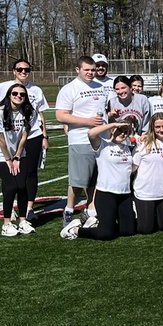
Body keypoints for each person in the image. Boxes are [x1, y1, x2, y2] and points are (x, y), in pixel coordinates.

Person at [0, 58, 48, 220]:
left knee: (30, 173)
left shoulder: (36, 90)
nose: (23, 72)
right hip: (12, 137)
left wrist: (44, 136)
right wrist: (0, 112)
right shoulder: (3, 87)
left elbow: (41, 114)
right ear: (14, 71)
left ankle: (28, 209)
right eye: (20, 69)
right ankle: (11, 208)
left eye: (27, 70)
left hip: (33, 134)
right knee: (11, 177)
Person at [59, 120, 136, 240]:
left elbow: (135, 166)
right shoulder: (103, 145)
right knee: (106, 234)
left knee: (128, 231)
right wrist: (114, 124)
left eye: (125, 132)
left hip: (124, 195)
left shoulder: (129, 148)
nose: (122, 134)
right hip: (106, 194)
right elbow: (91, 133)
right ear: (112, 130)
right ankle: (74, 229)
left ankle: (96, 223)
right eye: (120, 130)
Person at [55, 56, 108, 227]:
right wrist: (88, 122)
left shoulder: (101, 87)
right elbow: (60, 115)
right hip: (80, 138)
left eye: (92, 70)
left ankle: (91, 210)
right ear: (78, 70)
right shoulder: (69, 89)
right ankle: (69, 210)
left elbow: (104, 111)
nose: (90, 73)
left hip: (101, 139)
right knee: (78, 181)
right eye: (87, 70)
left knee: (96, 178)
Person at [0, 83, 33, 236]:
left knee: (22, 186)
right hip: (1, 155)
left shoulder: (28, 111)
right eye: (15, 93)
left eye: (22, 94)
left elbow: (24, 136)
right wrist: (8, 159)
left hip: (19, 154)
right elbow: (0, 139)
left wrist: (17, 157)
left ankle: (22, 221)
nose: (18, 96)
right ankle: (6, 224)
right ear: (9, 95)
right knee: (11, 186)